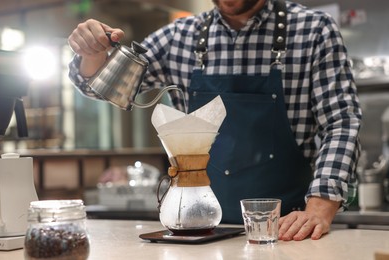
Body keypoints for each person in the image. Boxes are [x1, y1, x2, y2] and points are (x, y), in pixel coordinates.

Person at [67, 0, 362, 241]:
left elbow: (341, 121)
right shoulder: (179, 37)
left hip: (285, 231)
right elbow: (103, 88)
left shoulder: (312, 30)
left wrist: (320, 207)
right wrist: (90, 53)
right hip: (198, 229)